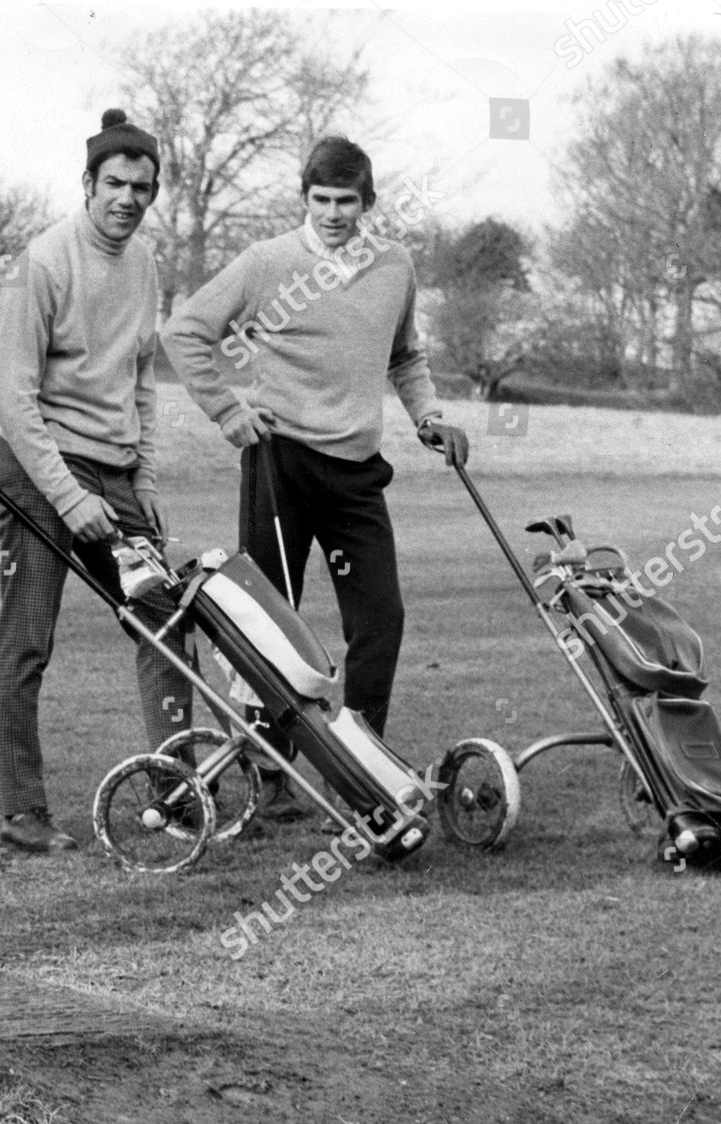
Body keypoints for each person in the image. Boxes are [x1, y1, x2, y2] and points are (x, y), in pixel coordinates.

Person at [161, 135, 468, 818]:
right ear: (305, 198)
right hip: (280, 462)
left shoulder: (394, 266)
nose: (332, 213)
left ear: (367, 202)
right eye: (321, 200)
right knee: (270, 625)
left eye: (346, 201)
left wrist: (429, 417)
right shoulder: (267, 262)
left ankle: (363, 772)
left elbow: (407, 357)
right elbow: (184, 333)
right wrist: (225, 410)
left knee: (381, 617)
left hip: (357, 471)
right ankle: (269, 774)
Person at [0, 109, 193, 854]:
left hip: (116, 471)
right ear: (87, 183)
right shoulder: (44, 261)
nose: (128, 199)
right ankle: (23, 812)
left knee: (165, 624)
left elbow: (142, 375)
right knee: (28, 640)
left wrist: (141, 474)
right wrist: (72, 500)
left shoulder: (145, 265)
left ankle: (179, 792)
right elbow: (12, 400)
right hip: (43, 470)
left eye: (143, 187)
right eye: (115, 183)